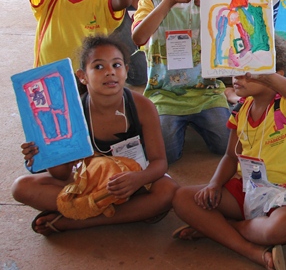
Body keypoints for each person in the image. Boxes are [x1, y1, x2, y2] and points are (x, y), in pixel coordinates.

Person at [171, 42, 286, 270]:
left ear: (275, 75)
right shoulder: (241, 109)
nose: (236, 77)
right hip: (251, 189)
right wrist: (214, 184)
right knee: (182, 199)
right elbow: (231, 157)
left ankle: (220, 229)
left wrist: (267, 75)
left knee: (279, 230)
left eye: (247, 71)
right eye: (235, 70)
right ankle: (251, 250)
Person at [12, 36, 176, 235]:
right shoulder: (71, 113)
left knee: (167, 191)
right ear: (82, 76)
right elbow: (62, 174)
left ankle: (77, 220)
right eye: (99, 67)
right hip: (89, 182)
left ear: (126, 70)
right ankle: (115, 211)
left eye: (116, 65)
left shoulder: (142, 106)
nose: (110, 72)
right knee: (21, 187)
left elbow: (159, 162)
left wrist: (138, 179)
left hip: (131, 183)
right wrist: (46, 153)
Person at [131, 0, 230, 164]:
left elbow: (228, 35)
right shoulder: (150, 0)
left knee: (226, 145)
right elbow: (139, 37)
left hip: (206, 93)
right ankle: (179, 123)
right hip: (165, 94)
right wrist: (169, 2)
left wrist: (210, 4)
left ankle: (218, 110)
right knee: (166, 155)